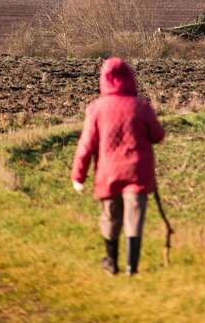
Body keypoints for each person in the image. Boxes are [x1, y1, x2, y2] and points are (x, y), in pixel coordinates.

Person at [71, 57, 165, 276]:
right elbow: (158, 135)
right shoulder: (141, 106)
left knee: (111, 218)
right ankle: (132, 267)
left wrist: (78, 177)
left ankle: (111, 264)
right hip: (137, 173)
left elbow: (86, 145)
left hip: (108, 173)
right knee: (134, 219)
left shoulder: (96, 108)